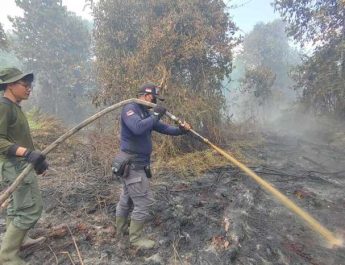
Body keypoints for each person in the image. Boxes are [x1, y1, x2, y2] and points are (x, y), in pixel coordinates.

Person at [115, 83, 191, 250]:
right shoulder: (130, 109)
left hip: (136, 164)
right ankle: (135, 239)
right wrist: (156, 114)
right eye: (155, 98)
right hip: (132, 164)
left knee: (127, 199)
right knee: (142, 202)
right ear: (148, 96)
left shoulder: (145, 112)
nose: (156, 102)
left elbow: (165, 128)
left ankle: (121, 231)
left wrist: (181, 130)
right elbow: (137, 128)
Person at [0, 67, 48, 264]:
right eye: (25, 85)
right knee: (30, 209)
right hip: (14, 165)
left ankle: (21, 240)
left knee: (17, 206)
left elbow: (19, 139)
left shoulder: (14, 107)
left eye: (30, 85)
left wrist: (36, 160)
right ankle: (8, 257)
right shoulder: (3, 107)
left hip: (21, 164)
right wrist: (27, 154)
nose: (29, 89)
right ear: (10, 85)